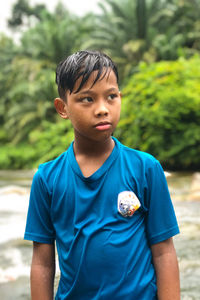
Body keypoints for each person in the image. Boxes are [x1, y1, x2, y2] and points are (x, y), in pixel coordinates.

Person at [24, 50, 180, 300]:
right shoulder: (47, 179)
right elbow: (42, 262)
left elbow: (163, 251)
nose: (102, 109)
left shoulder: (145, 168)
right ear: (62, 108)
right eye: (87, 99)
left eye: (111, 97)